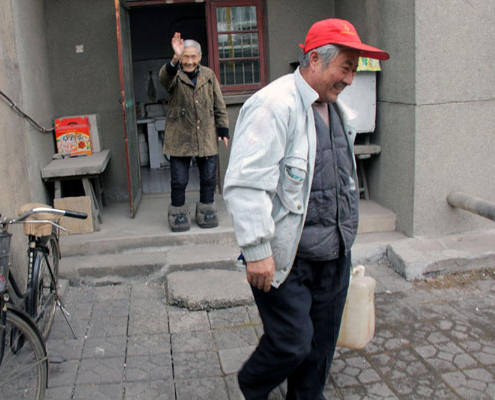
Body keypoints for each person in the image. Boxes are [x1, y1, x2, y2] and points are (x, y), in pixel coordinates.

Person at [223, 19, 389, 399]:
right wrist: (257, 250)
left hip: (334, 255)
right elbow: (245, 184)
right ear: (315, 59)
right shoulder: (273, 105)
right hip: (288, 256)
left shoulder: (336, 109)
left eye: (354, 69)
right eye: (345, 67)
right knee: (293, 343)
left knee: (320, 350)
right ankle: (253, 383)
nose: (350, 79)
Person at [159, 32, 229, 232]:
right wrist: (174, 57)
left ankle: (206, 210)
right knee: (179, 179)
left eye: (193, 57)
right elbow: (164, 79)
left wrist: (223, 128)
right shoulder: (174, 75)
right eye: (185, 57)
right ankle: (178, 213)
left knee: (208, 177)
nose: (189, 61)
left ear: (199, 57)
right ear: (180, 58)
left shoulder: (208, 75)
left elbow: (219, 103)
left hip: (205, 134)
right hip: (179, 136)